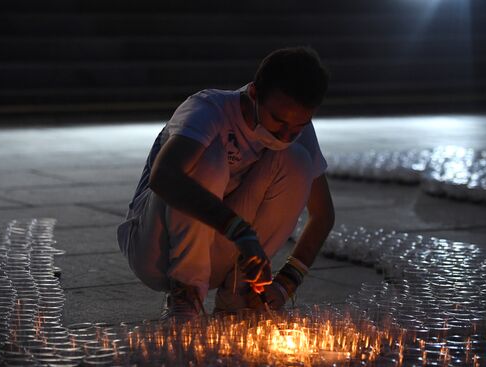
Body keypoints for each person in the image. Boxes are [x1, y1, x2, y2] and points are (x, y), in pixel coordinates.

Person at [117, 46, 335, 320]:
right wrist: (239, 231)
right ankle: (186, 295)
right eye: (277, 121)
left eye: (299, 126)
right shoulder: (208, 110)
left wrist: (285, 283)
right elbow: (165, 177)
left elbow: (323, 215)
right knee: (209, 157)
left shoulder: (294, 130)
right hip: (155, 249)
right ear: (254, 94)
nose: (285, 134)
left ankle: (242, 297)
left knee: (297, 161)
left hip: (222, 254)